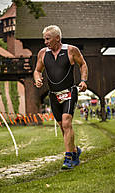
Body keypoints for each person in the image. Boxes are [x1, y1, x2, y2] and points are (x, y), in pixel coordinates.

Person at [33, 25, 88, 169]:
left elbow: (82, 64)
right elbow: (37, 70)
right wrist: (38, 78)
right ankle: (75, 151)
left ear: (57, 38)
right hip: (53, 95)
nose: (45, 42)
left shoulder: (70, 50)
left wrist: (83, 81)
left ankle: (68, 158)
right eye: (44, 39)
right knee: (63, 127)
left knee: (66, 123)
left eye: (47, 39)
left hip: (69, 92)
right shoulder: (43, 53)